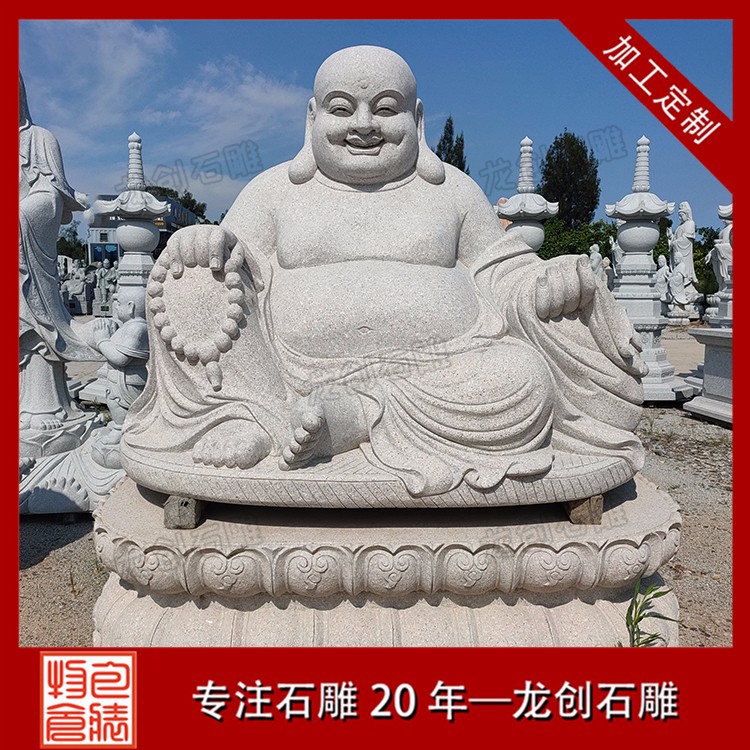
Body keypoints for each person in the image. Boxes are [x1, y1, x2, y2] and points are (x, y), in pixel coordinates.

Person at [124, 46, 645, 497]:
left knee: (524, 379)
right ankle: (249, 415)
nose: (364, 125)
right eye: (342, 109)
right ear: (312, 118)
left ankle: (351, 419)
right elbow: (238, 261)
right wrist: (203, 241)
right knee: (195, 271)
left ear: (416, 119)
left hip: (441, 371)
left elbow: (502, 272)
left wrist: (546, 282)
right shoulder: (273, 192)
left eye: (386, 108)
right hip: (286, 375)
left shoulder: (454, 191)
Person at [19, 72, 100, 434]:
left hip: (28, 255)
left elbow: (51, 197)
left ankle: (46, 404)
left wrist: (20, 215)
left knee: (34, 328)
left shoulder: (40, 139)